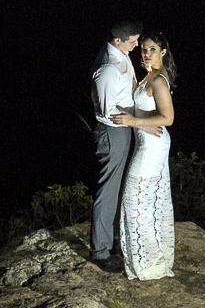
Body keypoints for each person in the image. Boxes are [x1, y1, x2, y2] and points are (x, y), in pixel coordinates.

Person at [110, 31, 176, 280]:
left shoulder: (158, 80)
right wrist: (132, 118)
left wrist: (133, 121)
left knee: (134, 202)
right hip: (146, 143)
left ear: (163, 52)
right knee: (146, 203)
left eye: (152, 49)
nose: (146, 53)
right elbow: (144, 111)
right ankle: (151, 260)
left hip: (153, 146)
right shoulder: (149, 75)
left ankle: (151, 264)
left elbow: (168, 118)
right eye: (144, 49)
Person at [89, 19, 154, 273]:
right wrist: (142, 122)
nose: (137, 44)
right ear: (117, 40)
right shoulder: (107, 68)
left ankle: (115, 240)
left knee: (120, 186)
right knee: (109, 189)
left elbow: (129, 89)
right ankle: (100, 252)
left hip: (125, 129)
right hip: (112, 132)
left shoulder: (122, 55)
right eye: (132, 41)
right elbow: (108, 111)